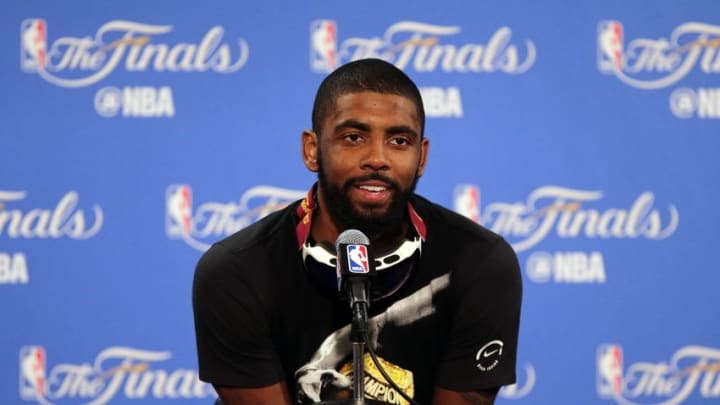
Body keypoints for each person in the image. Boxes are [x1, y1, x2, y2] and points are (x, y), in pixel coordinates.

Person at [192, 58, 522, 405]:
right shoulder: (237, 271)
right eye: (353, 137)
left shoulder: (479, 264)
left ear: (421, 157)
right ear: (312, 150)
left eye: (398, 141)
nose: (377, 158)